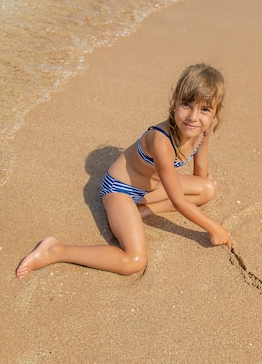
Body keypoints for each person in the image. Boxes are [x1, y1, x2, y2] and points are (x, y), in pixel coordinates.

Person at [16, 63, 231, 278]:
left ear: (214, 114)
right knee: (134, 261)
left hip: (150, 189)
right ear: (174, 102)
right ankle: (56, 250)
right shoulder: (161, 140)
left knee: (207, 189)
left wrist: (202, 185)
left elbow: (199, 176)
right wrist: (214, 228)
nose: (193, 116)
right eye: (186, 104)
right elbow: (178, 201)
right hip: (120, 190)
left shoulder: (203, 131)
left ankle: (144, 211)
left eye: (204, 109)